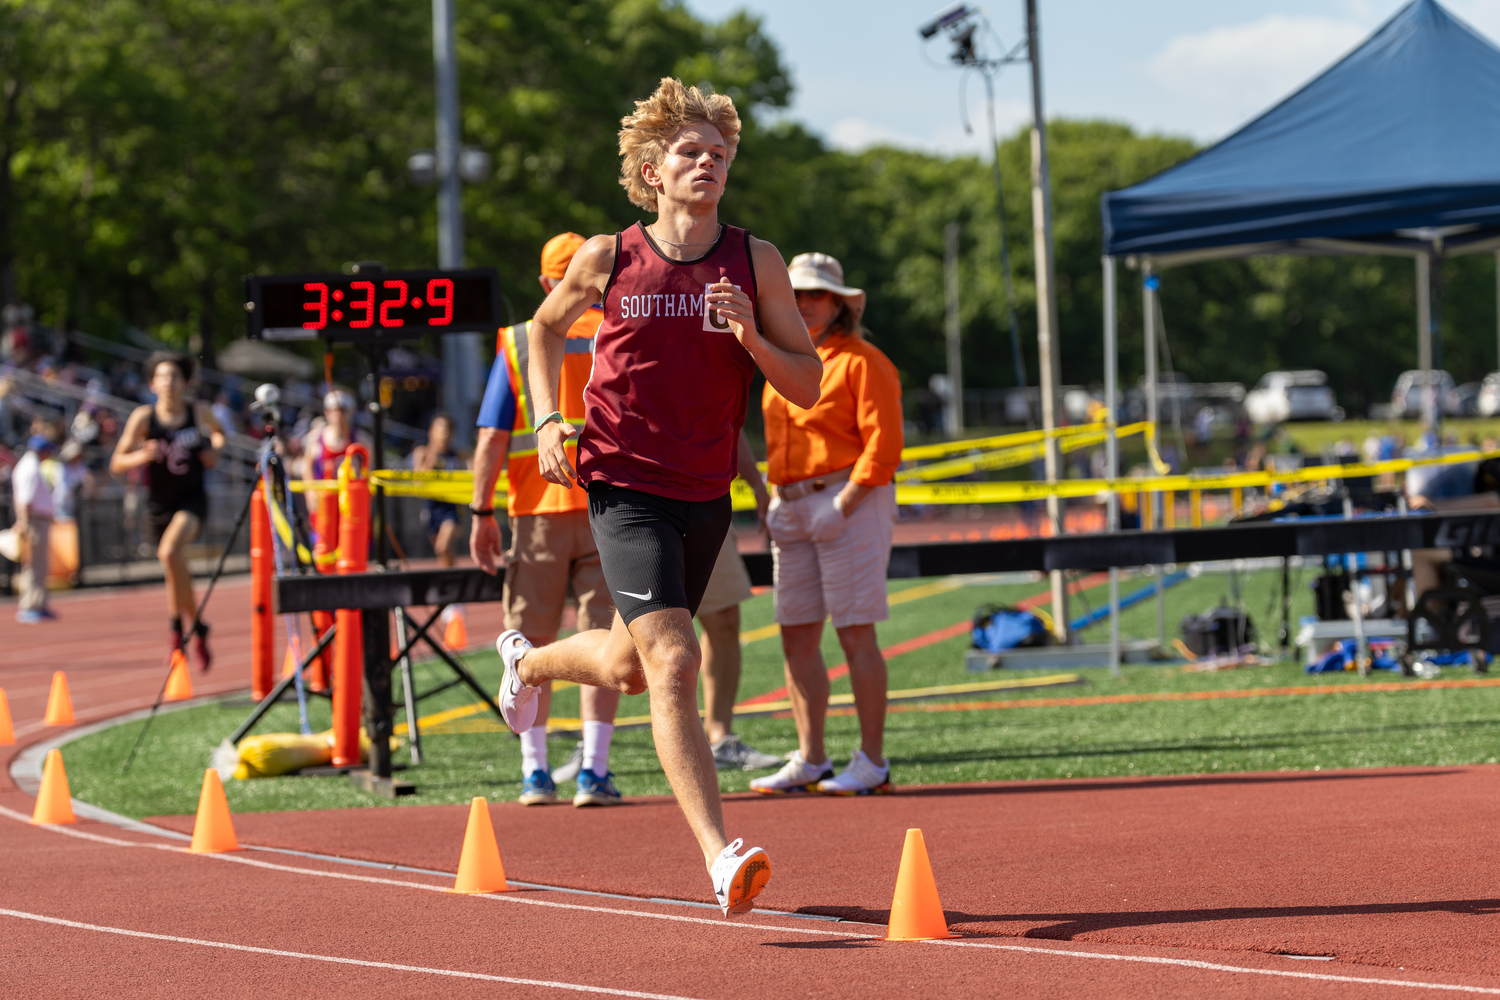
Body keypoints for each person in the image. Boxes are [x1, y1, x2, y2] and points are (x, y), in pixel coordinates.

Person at [493, 78, 822, 917]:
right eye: (690, 153)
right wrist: (548, 421)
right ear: (652, 171)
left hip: (705, 490)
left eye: (719, 154)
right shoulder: (607, 257)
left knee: (627, 667)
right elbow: (538, 328)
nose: (707, 164)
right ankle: (721, 857)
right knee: (677, 658)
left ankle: (525, 661)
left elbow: (807, 385)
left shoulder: (757, 261)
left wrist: (749, 330)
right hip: (623, 482)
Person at [471, 232, 623, 809]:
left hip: (536, 512)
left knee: (527, 643)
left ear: (544, 283)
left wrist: (481, 510)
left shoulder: (516, 341)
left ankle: (535, 773)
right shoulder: (620, 329)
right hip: (608, 507)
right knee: (603, 641)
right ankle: (595, 771)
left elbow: (490, 437)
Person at [749, 252, 903, 797]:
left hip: (847, 498)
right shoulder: (780, 359)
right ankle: (811, 757)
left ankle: (873, 761)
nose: (804, 303)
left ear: (840, 304)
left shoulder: (862, 360)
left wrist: (845, 502)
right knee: (796, 635)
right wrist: (773, 497)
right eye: (795, 294)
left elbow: (884, 443)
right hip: (791, 504)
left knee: (855, 632)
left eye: (816, 294)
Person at [110, 352, 226, 668]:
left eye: (174, 376)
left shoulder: (197, 411)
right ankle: (199, 627)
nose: (169, 383)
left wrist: (213, 450)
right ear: (152, 383)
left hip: (192, 501)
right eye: (162, 376)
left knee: (168, 552)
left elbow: (219, 433)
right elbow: (117, 462)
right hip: (159, 504)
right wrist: (140, 456)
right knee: (177, 566)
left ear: (185, 382)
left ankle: (176, 633)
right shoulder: (143, 418)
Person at [697, 431, 782, 771]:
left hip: (704, 498)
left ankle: (719, 738)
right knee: (631, 643)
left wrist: (759, 489)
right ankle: (593, 749)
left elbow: (729, 419)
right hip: (636, 502)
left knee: (724, 619)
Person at [413, 412, 469, 567]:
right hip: (432, 507)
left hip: (451, 507)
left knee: (442, 546)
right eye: (439, 430)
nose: (443, 434)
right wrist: (432, 455)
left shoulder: (457, 455)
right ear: (431, 432)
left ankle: (452, 579)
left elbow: (474, 463)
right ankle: (450, 579)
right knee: (443, 552)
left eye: (447, 430)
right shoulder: (422, 453)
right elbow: (418, 481)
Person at [12, 434, 57, 624]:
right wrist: (23, 522)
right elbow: (24, 500)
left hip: (37, 519)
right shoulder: (29, 468)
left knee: (39, 564)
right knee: (33, 564)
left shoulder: (30, 465)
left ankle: (38, 603)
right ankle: (30, 605)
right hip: (34, 521)